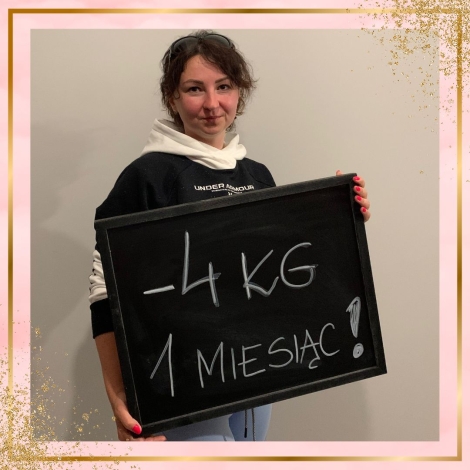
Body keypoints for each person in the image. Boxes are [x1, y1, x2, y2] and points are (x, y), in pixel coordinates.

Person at [89, 30, 371, 442]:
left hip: (260, 373)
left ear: (240, 92)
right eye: (194, 89)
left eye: (223, 87)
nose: (211, 104)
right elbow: (104, 293)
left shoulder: (257, 175)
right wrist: (118, 396)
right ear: (171, 97)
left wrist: (338, 220)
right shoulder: (147, 177)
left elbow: (286, 274)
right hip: (183, 387)